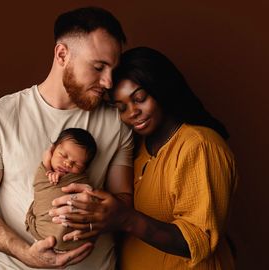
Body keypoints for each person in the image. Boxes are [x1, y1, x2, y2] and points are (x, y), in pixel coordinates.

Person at [0, 7, 133, 270]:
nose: (108, 82)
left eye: (112, 70)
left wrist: (99, 209)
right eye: (98, 67)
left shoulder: (117, 122)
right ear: (62, 54)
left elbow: (124, 199)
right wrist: (25, 253)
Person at [50, 47, 238, 269]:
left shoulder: (200, 145)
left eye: (139, 98)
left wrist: (126, 219)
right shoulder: (138, 149)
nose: (132, 113)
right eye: (121, 108)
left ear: (161, 89)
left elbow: (199, 238)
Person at [25, 128, 98, 252]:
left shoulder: (80, 179)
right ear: (52, 150)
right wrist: (47, 168)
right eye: (63, 155)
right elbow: (40, 182)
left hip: (73, 235)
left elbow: (88, 196)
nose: (68, 164)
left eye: (77, 164)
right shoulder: (45, 174)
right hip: (45, 229)